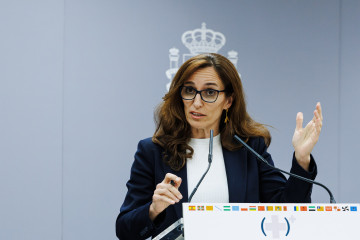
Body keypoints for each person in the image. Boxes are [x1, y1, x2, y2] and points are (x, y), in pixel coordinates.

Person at [115, 53, 322, 240]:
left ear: (229, 101)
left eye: (210, 93)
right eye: (189, 90)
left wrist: (302, 158)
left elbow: (287, 211)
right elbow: (125, 230)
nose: (196, 103)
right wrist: (153, 209)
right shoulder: (154, 151)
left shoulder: (249, 148)